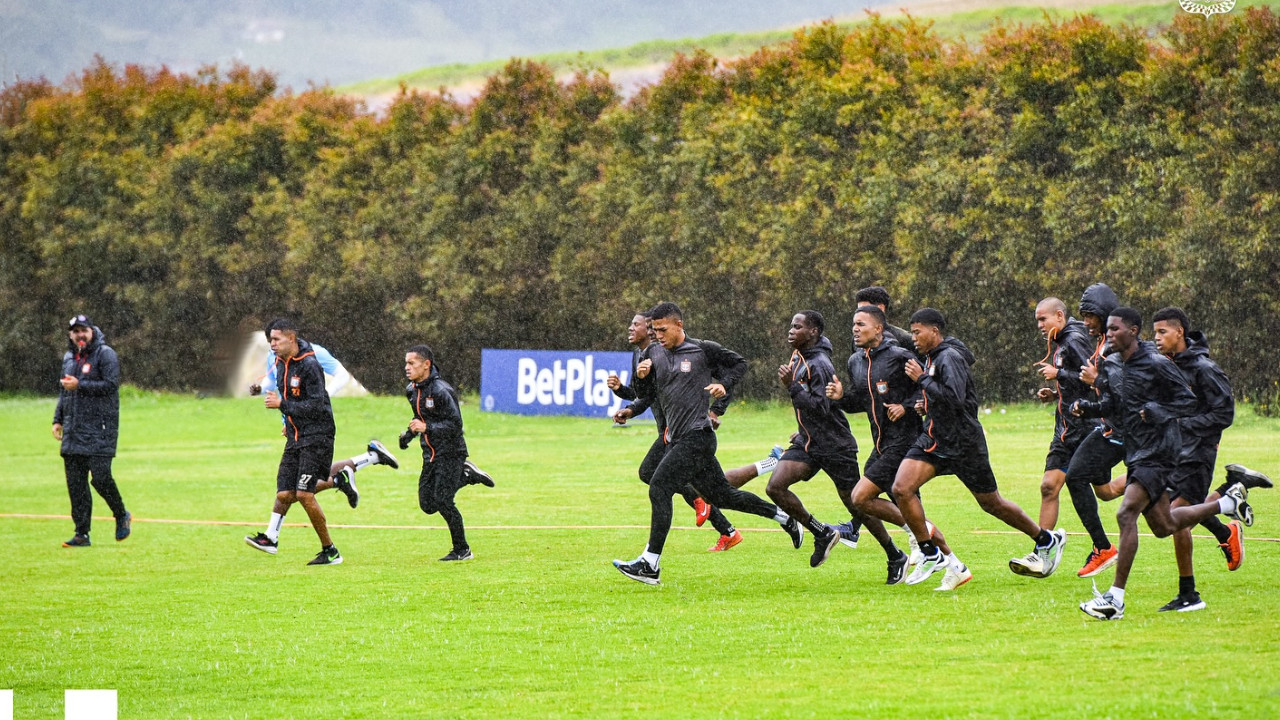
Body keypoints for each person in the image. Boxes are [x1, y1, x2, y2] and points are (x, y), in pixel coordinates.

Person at [1075, 308, 1261, 620]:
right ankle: (1226, 504)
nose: (1109, 334)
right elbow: (1117, 406)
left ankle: (1115, 600)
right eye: (1107, 329)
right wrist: (1090, 408)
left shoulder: (1158, 364)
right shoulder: (1114, 363)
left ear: (1133, 331)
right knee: (1165, 525)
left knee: (1125, 512)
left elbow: (1187, 402)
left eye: (1116, 328)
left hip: (1161, 452)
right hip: (1136, 453)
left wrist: (1160, 413)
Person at [612, 302, 802, 585]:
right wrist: (641, 379)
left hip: (698, 436)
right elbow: (648, 393)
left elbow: (739, 364)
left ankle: (650, 563)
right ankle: (785, 518)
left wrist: (723, 385)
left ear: (679, 325)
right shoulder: (652, 352)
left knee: (659, 486)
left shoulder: (702, 349)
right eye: (654, 330)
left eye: (662, 330)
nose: (658, 335)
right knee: (724, 495)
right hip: (678, 438)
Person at [892, 308, 1066, 586]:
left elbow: (956, 399)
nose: (913, 338)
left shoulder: (949, 357)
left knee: (991, 503)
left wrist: (922, 380)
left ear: (934, 331)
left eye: (917, 332)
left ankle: (1045, 540)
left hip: (963, 443)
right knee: (901, 488)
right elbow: (943, 398)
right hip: (935, 439)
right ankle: (930, 552)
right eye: (911, 332)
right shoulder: (933, 358)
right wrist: (926, 402)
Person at [827, 305, 951, 587]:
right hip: (881, 444)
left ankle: (919, 538)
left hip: (905, 443)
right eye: (853, 324)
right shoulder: (855, 362)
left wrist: (906, 407)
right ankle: (951, 561)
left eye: (861, 324)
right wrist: (841, 396)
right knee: (907, 504)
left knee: (860, 498)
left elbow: (927, 385)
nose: (855, 329)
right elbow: (861, 401)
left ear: (879, 329)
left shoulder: (900, 356)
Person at [768, 310, 899, 570]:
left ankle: (895, 554)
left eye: (798, 327)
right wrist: (802, 429)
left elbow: (821, 406)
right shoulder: (799, 355)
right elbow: (807, 406)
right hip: (809, 443)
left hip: (835, 445)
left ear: (813, 332)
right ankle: (822, 532)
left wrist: (791, 386)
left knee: (858, 504)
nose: (791, 331)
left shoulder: (820, 364)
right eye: (791, 326)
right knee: (776, 487)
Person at [609, 311, 748, 551]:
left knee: (658, 478)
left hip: (684, 432)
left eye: (637, 324)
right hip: (672, 432)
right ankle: (727, 529)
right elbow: (645, 393)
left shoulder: (679, 351)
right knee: (700, 486)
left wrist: (716, 410)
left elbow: (726, 374)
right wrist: (625, 399)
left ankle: (654, 556)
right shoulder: (643, 355)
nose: (631, 328)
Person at [1151, 307, 1249, 610]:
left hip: (1198, 454)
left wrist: (1183, 426)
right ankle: (1232, 492)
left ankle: (1189, 594)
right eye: (1154, 333)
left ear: (1179, 332)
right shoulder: (1165, 366)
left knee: (1175, 520)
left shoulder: (1205, 369)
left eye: (1162, 332)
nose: (1155, 338)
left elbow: (1224, 414)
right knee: (1167, 517)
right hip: (1171, 453)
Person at [242, 318, 343, 565]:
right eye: (270, 341)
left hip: (317, 436)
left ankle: (330, 551)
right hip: (296, 435)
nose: (272, 345)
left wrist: (282, 405)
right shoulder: (280, 363)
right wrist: (287, 423)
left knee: (304, 494)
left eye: (276, 339)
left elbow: (318, 405)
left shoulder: (309, 365)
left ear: (291, 338)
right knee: (285, 492)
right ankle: (271, 539)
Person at [1009, 298, 1096, 574]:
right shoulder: (1061, 341)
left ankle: (1147, 480)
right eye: (1037, 320)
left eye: (1042, 319)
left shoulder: (1075, 339)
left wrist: (1058, 373)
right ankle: (1044, 550)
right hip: (1064, 429)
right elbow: (1074, 385)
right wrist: (1056, 393)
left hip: (1086, 426)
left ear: (1059, 316)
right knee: (1049, 487)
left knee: (1105, 491)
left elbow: (1092, 378)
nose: (1039, 325)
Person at [1060, 283, 1128, 577]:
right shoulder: (1103, 341)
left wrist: (1095, 382)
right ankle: (1222, 524)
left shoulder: (1116, 344)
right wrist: (1086, 405)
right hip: (1112, 426)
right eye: (1083, 315)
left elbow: (1122, 391)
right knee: (1103, 490)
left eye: (1090, 315)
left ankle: (1103, 548)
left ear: (1103, 313)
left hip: (1126, 430)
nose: (1085, 321)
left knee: (1075, 477)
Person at [404, 344, 493, 562]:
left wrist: (428, 429)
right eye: (406, 363)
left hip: (451, 452)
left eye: (411, 363)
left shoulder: (442, 390)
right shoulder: (411, 390)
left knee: (443, 500)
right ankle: (466, 476)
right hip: (430, 455)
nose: (406, 368)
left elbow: (456, 425)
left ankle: (462, 549)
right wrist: (408, 435)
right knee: (427, 505)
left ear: (426, 365)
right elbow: (421, 420)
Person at [53, 314, 131, 547]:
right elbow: (65, 391)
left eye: (84, 331)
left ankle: (121, 514)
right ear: (70, 335)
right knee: (76, 484)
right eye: (76, 331)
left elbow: (110, 386)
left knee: (101, 478)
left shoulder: (105, 354)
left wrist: (81, 385)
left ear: (92, 331)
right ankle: (81, 533)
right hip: (74, 431)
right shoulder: (69, 357)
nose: (80, 335)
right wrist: (57, 419)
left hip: (100, 428)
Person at [244, 440, 401, 554]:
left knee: (297, 490)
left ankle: (340, 480)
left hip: (311, 432)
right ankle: (371, 457)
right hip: (302, 431)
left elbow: (311, 401)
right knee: (295, 486)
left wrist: (284, 407)